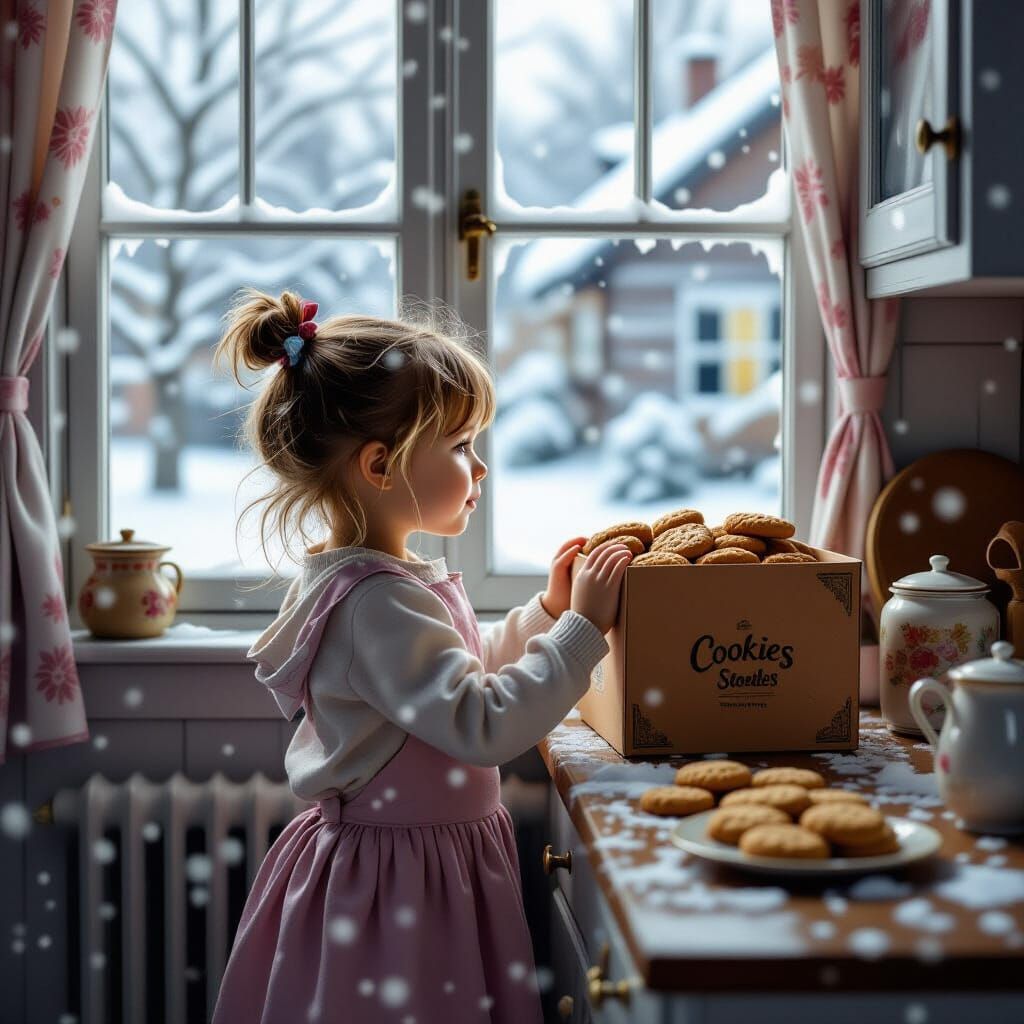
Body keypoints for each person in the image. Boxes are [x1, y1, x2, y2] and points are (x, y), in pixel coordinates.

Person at [209, 289, 633, 1024]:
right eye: (463, 446)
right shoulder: (377, 600)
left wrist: (548, 615)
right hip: (399, 885)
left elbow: (459, 681)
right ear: (381, 466)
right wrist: (584, 630)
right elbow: (483, 726)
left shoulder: (388, 581)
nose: (482, 468)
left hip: (416, 864)